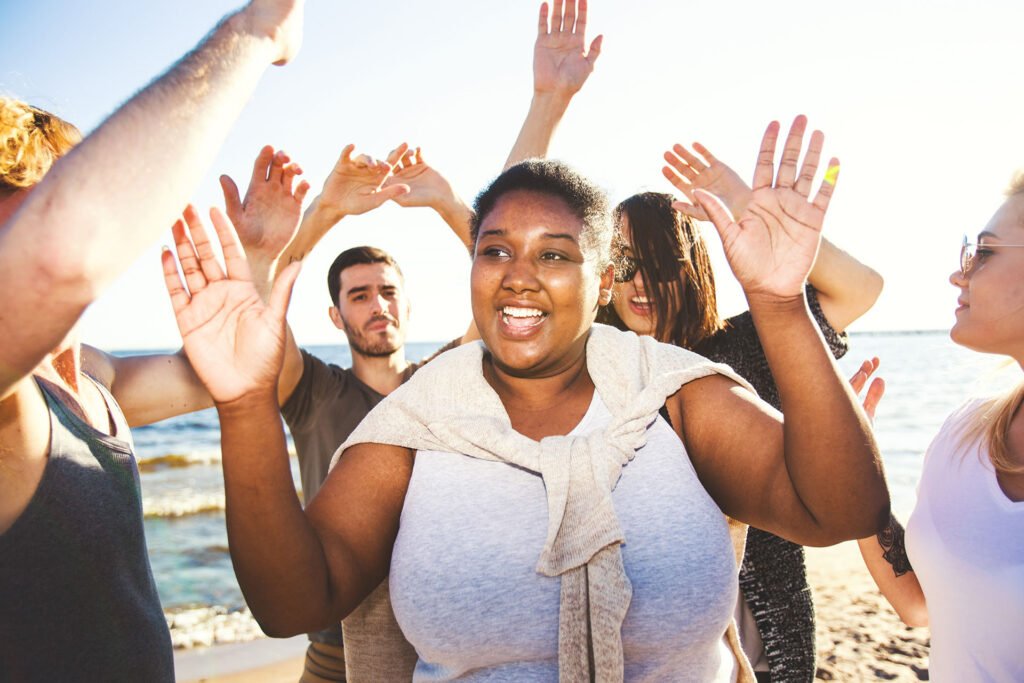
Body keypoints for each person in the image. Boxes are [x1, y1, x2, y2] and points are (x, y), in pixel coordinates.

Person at [163, 117, 890, 681]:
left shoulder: (675, 394)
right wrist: (243, 405)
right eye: (495, 248)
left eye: (554, 253)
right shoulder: (417, 420)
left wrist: (778, 301)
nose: (518, 274)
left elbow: (841, 508)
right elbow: (295, 600)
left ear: (602, 281)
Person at [501, 4, 883, 677]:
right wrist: (545, 105)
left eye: (657, 259)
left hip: (762, 629)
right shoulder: (597, 363)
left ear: (691, 266)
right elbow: (511, 258)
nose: (640, 280)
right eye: (622, 260)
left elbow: (860, 290)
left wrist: (741, 201)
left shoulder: (742, 345)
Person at [0, 1, 305, 679]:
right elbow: (58, 257)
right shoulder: (9, 403)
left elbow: (208, 374)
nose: (64, 208)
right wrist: (254, 33)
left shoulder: (88, 377)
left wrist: (256, 260)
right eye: (41, 196)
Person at [222, 140, 474, 681]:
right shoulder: (312, 390)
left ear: (407, 305)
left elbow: (505, 287)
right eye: (359, 296)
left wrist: (449, 204)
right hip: (335, 654)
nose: (378, 305)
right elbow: (259, 300)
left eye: (387, 292)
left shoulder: (445, 377)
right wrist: (326, 212)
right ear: (336, 318)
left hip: (445, 645)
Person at [856, 176, 1024, 682]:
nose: (960, 274)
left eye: (984, 253)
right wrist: (857, 464)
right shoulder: (965, 433)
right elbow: (919, 605)